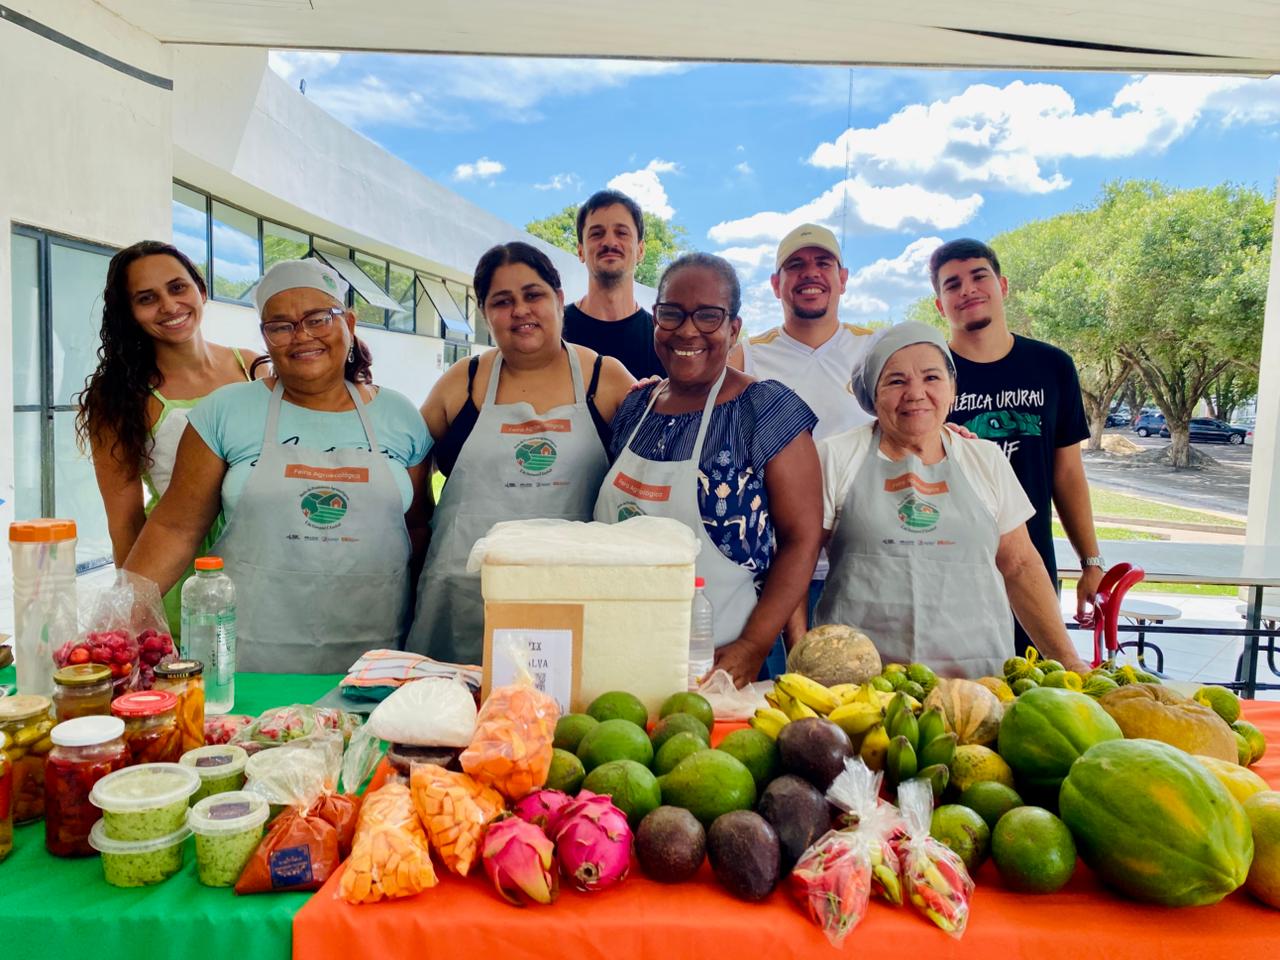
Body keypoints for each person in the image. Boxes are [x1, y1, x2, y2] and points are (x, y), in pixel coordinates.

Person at [123, 259, 432, 672]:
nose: (301, 335)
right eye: (280, 326)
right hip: (249, 656)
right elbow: (175, 529)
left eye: (319, 319)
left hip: (374, 656)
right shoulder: (225, 411)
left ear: (349, 323)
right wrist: (118, 623)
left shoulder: (400, 415)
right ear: (266, 337)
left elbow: (416, 528)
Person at [595, 253, 823, 687]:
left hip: (723, 667)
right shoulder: (635, 407)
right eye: (671, 313)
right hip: (621, 654)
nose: (687, 330)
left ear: (733, 328)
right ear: (655, 319)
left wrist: (752, 646)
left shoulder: (766, 410)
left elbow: (803, 538)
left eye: (708, 316)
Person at [816, 322, 1090, 678]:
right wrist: (797, 656)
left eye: (931, 377)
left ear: (952, 389)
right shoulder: (834, 457)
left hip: (978, 682)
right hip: (859, 684)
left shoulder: (986, 459)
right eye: (896, 381)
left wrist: (1070, 663)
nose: (915, 393)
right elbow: (795, 561)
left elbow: (1020, 566)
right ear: (873, 394)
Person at [406, 241, 635, 664]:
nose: (520, 310)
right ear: (484, 312)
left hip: (568, 596)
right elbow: (407, 463)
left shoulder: (606, 379)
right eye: (502, 301)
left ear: (559, 300)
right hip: (462, 598)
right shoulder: (461, 382)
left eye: (533, 295)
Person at [77, 240, 259, 637]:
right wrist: (139, 617)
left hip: (264, 560)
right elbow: (125, 521)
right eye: (147, 298)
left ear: (201, 289)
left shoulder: (253, 367)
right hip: (181, 577)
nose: (169, 305)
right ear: (129, 312)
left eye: (178, 288)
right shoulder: (120, 395)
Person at [931, 238, 1103, 654]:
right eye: (952, 284)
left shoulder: (1052, 366)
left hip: (1031, 566)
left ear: (1003, 286)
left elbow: (1067, 473)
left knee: (1036, 682)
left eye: (979, 276)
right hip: (951, 572)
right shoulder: (929, 375)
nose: (968, 290)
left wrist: (1091, 562)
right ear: (939, 305)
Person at [727, 223, 876, 655]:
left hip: (861, 564)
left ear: (842, 278)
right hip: (773, 571)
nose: (810, 273)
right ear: (777, 284)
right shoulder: (748, 355)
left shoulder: (876, 350)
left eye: (823, 263)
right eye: (795, 265)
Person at [561, 189, 665, 379]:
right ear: (581, 251)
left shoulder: (663, 340)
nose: (609, 242)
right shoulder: (554, 331)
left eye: (622, 233)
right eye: (596, 234)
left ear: (640, 250)